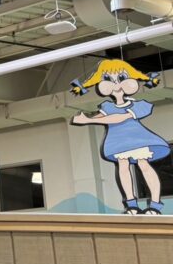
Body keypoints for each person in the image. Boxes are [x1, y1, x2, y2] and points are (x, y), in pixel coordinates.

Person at [71, 59, 169, 214]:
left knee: (143, 165)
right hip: (118, 142)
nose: (116, 85)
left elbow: (119, 117)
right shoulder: (107, 106)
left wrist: (87, 120)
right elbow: (101, 117)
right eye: (109, 80)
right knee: (123, 167)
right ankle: (131, 205)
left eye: (122, 78)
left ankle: (155, 205)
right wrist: (83, 119)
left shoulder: (140, 105)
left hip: (138, 139)